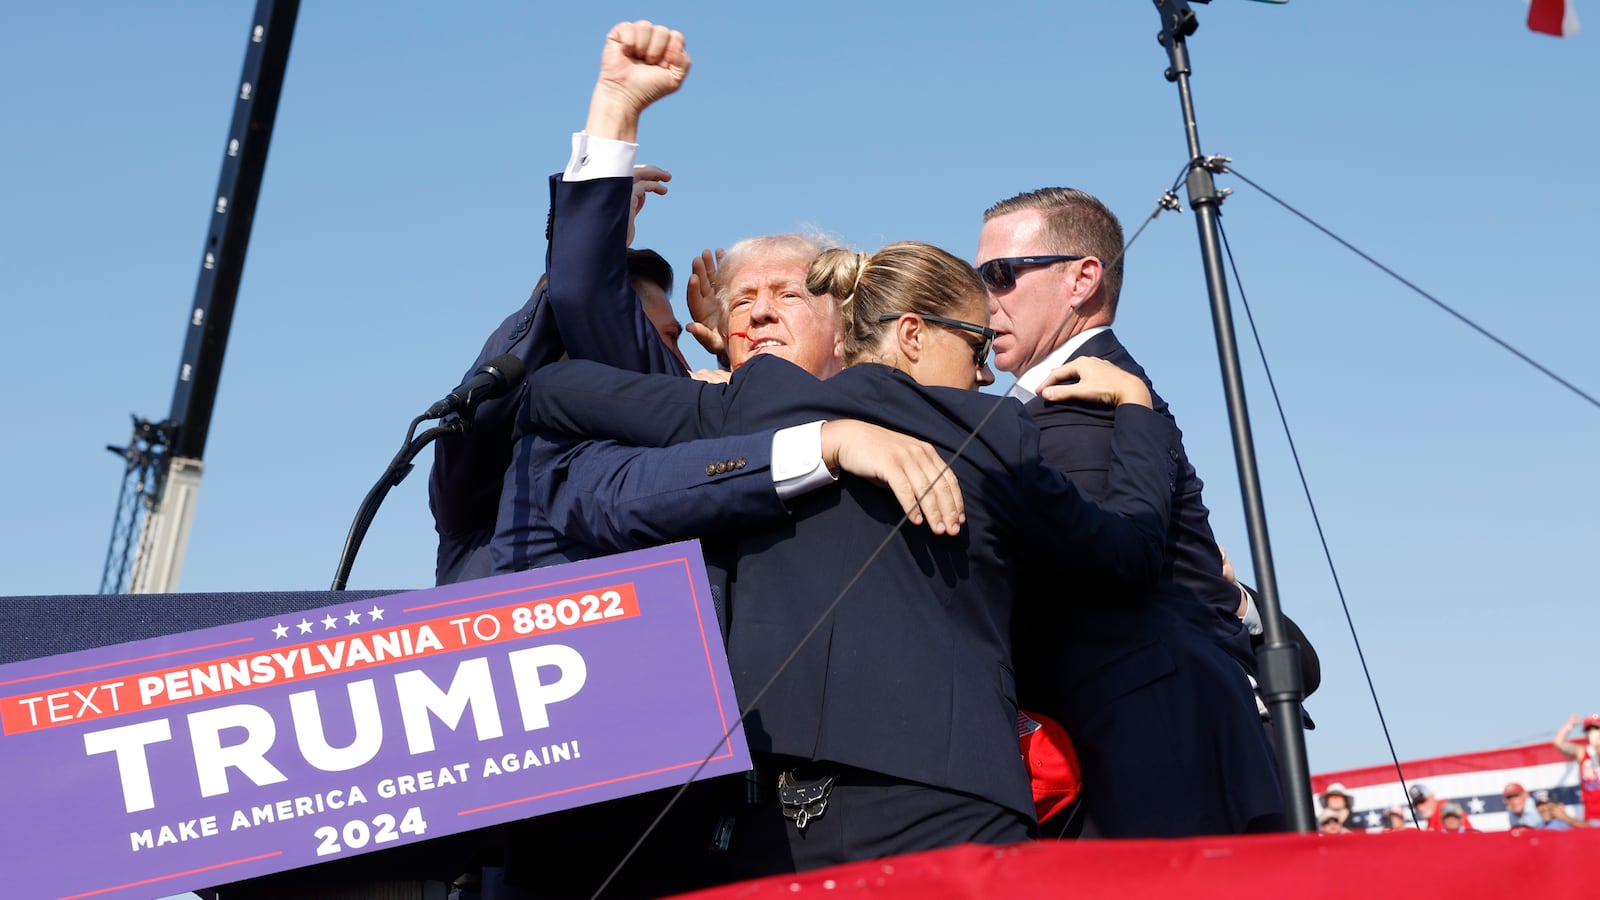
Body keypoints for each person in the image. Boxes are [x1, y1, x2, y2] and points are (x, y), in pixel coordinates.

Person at [517, 240, 1184, 880]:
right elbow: (1126, 555)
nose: (987, 372)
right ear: (914, 334)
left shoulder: (759, 401)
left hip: (767, 819)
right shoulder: (995, 429)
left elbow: (551, 393)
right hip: (946, 805)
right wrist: (1139, 409)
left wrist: (709, 392)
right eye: (977, 346)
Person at [977, 187, 1283, 836]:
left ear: (1082, 278)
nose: (983, 300)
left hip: (1150, 743)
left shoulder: (1087, 397)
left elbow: (1107, 562)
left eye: (1001, 275)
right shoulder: (1082, 395)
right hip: (1145, 731)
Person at [428, 19, 693, 586]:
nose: (678, 347)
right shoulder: (484, 494)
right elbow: (575, 294)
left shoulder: (692, 445)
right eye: (659, 334)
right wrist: (593, 234)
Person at [1552, 713, 1600, 823]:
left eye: (1596, 728)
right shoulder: (1583, 753)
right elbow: (1558, 742)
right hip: (1592, 817)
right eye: (1589, 729)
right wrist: (1570, 724)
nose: (1593, 732)